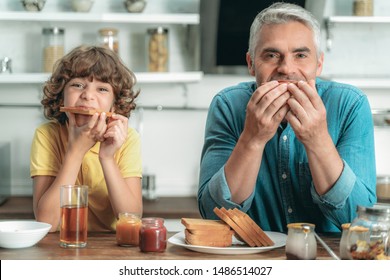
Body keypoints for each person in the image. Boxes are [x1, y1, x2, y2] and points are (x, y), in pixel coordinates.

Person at [198, 2, 376, 233]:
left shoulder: (350, 105)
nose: (286, 68)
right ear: (251, 64)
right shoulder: (228, 106)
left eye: (300, 55)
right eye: (272, 55)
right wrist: (252, 139)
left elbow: (361, 221)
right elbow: (212, 214)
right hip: (255, 263)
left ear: (318, 64)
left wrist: (317, 139)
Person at [30, 45, 142, 232]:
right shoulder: (46, 135)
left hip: (111, 248)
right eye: (78, 85)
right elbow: (46, 224)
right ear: (61, 95)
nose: (88, 95)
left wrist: (107, 157)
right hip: (60, 246)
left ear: (114, 104)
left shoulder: (127, 138)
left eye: (102, 89)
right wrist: (76, 151)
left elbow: (132, 219)